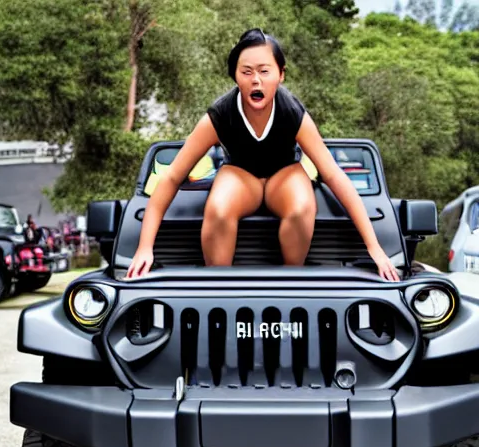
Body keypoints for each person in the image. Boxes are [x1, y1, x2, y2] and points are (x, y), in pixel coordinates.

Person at [126, 28, 400, 282]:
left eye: (264, 71)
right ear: (235, 75)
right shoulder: (220, 115)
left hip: (284, 175)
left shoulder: (293, 113)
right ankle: (217, 287)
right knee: (218, 209)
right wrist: (144, 247)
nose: (255, 80)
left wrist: (374, 247)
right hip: (240, 176)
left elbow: (332, 173)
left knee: (302, 207)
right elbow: (173, 176)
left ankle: (292, 283)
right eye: (246, 72)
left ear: (280, 74)